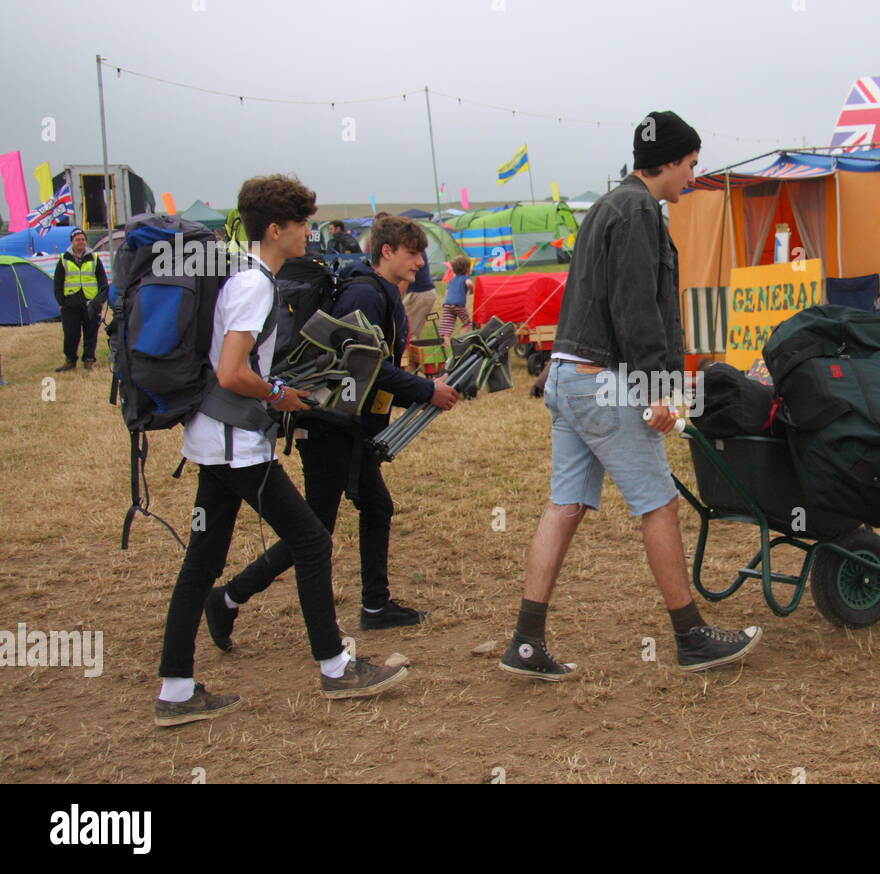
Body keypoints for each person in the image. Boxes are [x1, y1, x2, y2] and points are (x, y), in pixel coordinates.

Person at [499, 110, 762, 682]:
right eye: (691, 163)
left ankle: (525, 641)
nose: (694, 174)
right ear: (668, 161)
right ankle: (692, 638)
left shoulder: (605, 205)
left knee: (564, 506)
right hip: (605, 382)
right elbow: (637, 309)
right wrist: (659, 390)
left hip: (567, 376)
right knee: (658, 503)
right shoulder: (641, 210)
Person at [155, 175, 409, 727]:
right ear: (276, 229)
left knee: (201, 564)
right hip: (238, 445)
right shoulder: (255, 286)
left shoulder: (245, 277)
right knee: (313, 541)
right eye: (302, 224)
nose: (308, 233)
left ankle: (175, 692)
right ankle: (337, 668)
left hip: (214, 441)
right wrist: (280, 395)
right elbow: (232, 370)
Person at [206, 215, 460, 648]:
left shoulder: (378, 291)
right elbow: (364, 367)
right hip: (328, 426)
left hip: (349, 426)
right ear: (387, 251)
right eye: (413, 253)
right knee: (314, 530)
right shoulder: (363, 293)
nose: (420, 262)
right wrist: (424, 389)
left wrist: (418, 393)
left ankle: (376, 606)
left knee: (373, 508)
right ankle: (229, 597)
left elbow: (370, 371)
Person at [51, 228, 108, 371]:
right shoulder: (64, 259)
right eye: (78, 239)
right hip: (70, 304)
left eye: (83, 239)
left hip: (91, 303)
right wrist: (61, 302)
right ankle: (70, 360)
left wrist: (100, 300)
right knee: (71, 334)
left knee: (91, 333)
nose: (81, 242)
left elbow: (103, 281)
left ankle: (89, 360)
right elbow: (58, 282)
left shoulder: (94, 258)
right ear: (72, 242)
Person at [438, 255, 476, 338]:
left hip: (447, 304)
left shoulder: (452, 279)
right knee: (467, 324)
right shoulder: (466, 278)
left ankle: (444, 342)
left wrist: (446, 301)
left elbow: (447, 292)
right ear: (467, 268)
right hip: (458, 305)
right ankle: (460, 339)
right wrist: (472, 290)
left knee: (446, 326)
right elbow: (469, 283)